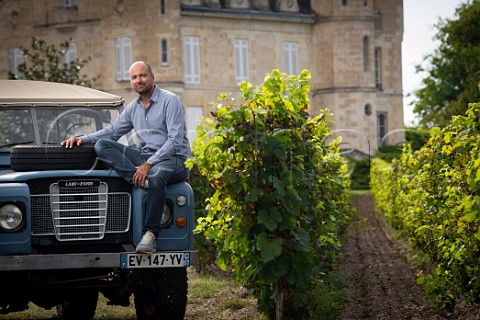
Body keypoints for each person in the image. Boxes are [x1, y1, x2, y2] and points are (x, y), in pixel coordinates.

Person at [61, 61, 191, 254]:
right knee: (102, 145)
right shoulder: (133, 108)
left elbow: (175, 141)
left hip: (176, 160)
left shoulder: (169, 101)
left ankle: (150, 235)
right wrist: (82, 139)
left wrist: (148, 164)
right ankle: (139, 180)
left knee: (156, 174)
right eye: (134, 77)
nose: (139, 80)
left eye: (142, 75)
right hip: (146, 158)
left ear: (152, 78)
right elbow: (112, 132)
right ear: (131, 82)